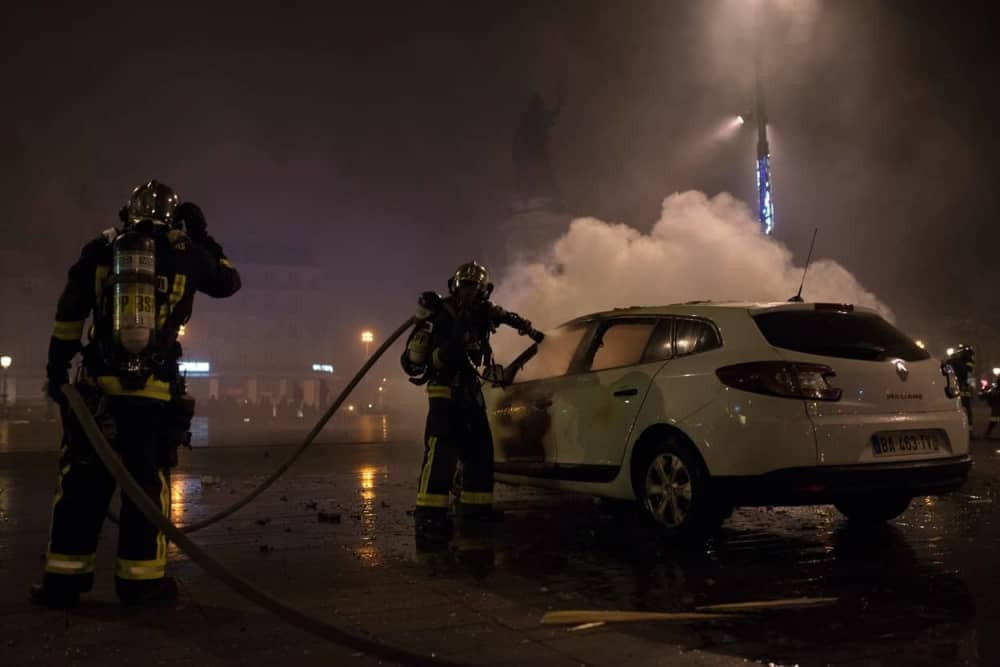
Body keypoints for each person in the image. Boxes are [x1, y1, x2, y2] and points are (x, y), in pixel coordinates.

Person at [32, 180, 241, 607]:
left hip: (97, 396)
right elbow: (228, 281)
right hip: (153, 395)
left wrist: (57, 372)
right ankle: (140, 583)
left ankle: (63, 581)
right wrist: (203, 236)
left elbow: (69, 315)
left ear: (128, 212)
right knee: (145, 489)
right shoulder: (186, 253)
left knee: (80, 486)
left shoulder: (100, 250)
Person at [401, 262, 543, 543]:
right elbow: (429, 358)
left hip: (470, 391)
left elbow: (506, 317)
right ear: (455, 287)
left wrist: (529, 330)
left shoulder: (483, 313)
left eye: (474, 287)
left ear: (483, 290)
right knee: (441, 452)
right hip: (444, 390)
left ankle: (476, 510)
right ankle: (429, 515)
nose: (469, 292)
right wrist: (453, 345)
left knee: (480, 450)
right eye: (465, 286)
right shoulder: (442, 314)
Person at [945, 345, 976, 430]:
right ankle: (969, 429)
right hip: (963, 388)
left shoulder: (951, 359)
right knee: (966, 408)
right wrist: (970, 386)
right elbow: (969, 372)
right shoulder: (967, 357)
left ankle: (956, 428)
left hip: (953, 388)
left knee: (955, 408)